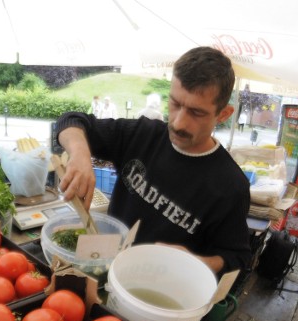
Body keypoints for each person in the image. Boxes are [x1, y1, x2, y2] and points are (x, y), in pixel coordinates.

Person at [54, 46, 251, 276]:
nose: (178, 123)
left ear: (223, 114)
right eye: (175, 104)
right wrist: (80, 154)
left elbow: (237, 258)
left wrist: (194, 261)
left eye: (196, 113)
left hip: (160, 293)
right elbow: (71, 121)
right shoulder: (143, 134)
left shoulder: (231, 186)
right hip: (107, 267)